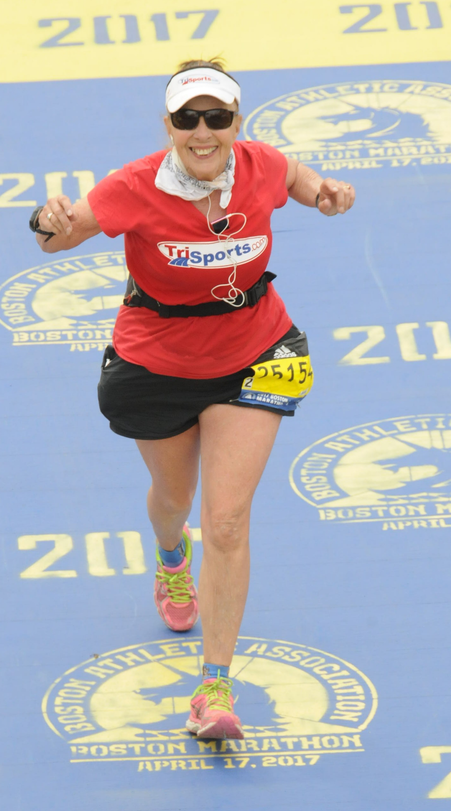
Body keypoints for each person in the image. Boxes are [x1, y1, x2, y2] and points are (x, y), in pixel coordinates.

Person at [31, 59, 355, 740]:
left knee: (230, 522)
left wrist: (321, 189)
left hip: (256, 351)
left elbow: (294, 176)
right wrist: (47, 217)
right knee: (175, 501)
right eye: (188, 119)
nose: (203, 132)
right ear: (169, 126)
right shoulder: (135, 186)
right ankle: (171, 556)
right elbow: (59, 238)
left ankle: (214, 690)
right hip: (157, 363)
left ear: (237, 121)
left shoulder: (262, 163)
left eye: (217, 117)